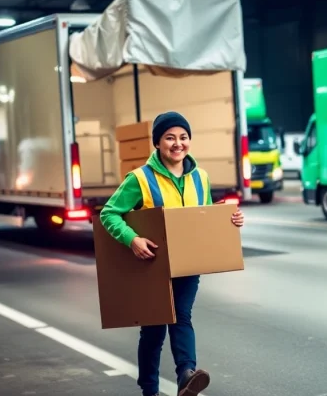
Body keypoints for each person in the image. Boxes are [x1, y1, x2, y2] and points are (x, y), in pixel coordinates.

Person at [99, 111, 245, 396]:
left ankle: (186, 375)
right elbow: (109, 214)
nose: (178, 144)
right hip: (151, 265)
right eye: (170, 138)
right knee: (153, 330)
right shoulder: (139, 178)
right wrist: (132, 239)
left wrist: (229, 219)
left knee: (182, 316)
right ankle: (150, 390)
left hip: (187, 264)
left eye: (183, 137)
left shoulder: (200, 176)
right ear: (157, 143)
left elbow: (201, 216)